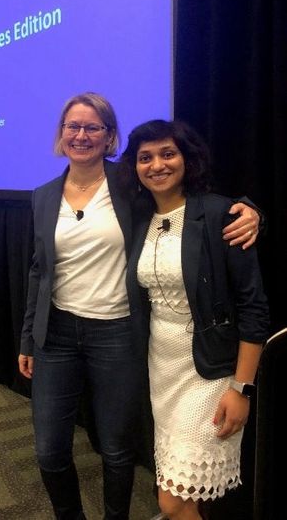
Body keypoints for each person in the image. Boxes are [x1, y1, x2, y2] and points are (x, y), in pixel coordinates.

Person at [18, 93, 261, 520]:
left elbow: (193, 205)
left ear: (109, 136)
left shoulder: (129, 184)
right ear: (61, 133)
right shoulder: (43, 196)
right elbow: (40, 271)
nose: (81, 135)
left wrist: (252, 211)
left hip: (117, 333)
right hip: (57, 333)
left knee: (116, 448)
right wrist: (27, 337)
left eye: (93, 127)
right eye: (73, 126)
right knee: (49, 450)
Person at [120, 119, 270, 520]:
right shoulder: (138, 218)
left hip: (210, 371)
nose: (157, 165)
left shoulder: (222, 214)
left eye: (168, 154)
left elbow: (254, 307)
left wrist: (241, 388)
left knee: (172, 500)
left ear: (187, 159)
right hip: (161, 368)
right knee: (178, 493)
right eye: (145, 157)